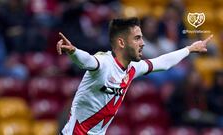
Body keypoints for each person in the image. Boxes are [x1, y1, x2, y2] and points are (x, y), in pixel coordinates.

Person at [56, 17, 213, 135]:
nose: (143, 43)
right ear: (122, 43)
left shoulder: (133, 68)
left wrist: (189, 49)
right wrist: (72, 51)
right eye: (137, 38)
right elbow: (88, 61)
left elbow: (162, 63)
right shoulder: (104, 63)